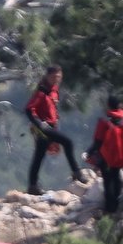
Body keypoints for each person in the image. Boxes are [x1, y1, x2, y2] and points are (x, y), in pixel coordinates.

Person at [23, 65, 84, 195]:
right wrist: (39, 123)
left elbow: (53, 108)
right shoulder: (41, 92)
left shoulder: (54, 90)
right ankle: (76, 172)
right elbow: (29, 109)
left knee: (38, 156)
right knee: (68, 142)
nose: (56, 79)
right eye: (54, 77)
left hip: (51, 126)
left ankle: (32, 186)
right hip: (43, 128)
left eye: (59, 77)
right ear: (48, 76)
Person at [88, 96, 123, 215]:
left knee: (107, 181)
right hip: (119, 156)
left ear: (109, 105)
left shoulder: (106, 120)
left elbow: (98, 141)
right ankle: (116, 205)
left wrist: (89, 153)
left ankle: (109, 208)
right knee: (115, 178)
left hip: (106, 156)